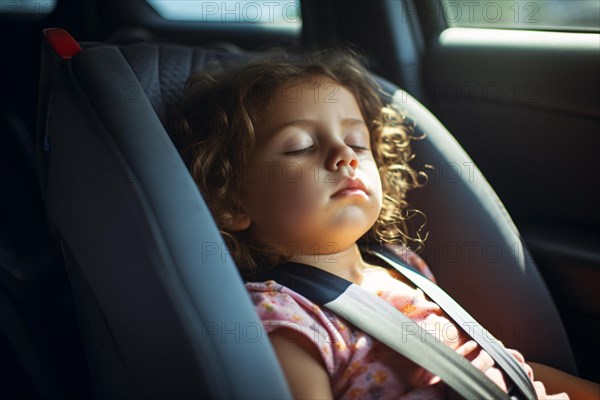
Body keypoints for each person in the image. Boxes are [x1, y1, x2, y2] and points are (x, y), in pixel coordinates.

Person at [172, 49, 596, 399]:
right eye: (300, 146)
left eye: (357, 142)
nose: (345, 155)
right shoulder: (283, 314)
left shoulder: (404, 266)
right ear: (231, 201)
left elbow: (503, 369)